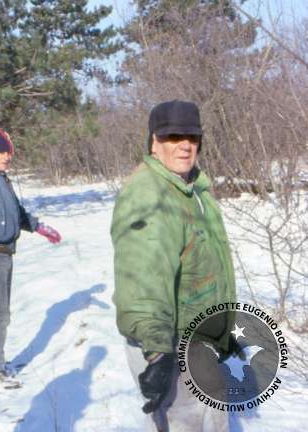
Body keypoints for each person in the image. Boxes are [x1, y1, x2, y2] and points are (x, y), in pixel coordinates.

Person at [111, 100, 236, 431]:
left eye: (192, 137)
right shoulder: (148, 194)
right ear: (154, 142)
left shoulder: (192, 188)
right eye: (174, 136)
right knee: (184, 424)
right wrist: (157, 353)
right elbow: (142, 279)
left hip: (200, 337)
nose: (185, 145)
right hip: (170, 342)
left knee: (216, 417)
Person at [0, 129, 62, 385]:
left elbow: (16, 211)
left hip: (4, 252)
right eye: (2, 152)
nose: (7, 157)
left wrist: (38, 226)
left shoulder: (0, 178)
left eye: (9, 153)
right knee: (0, 313)